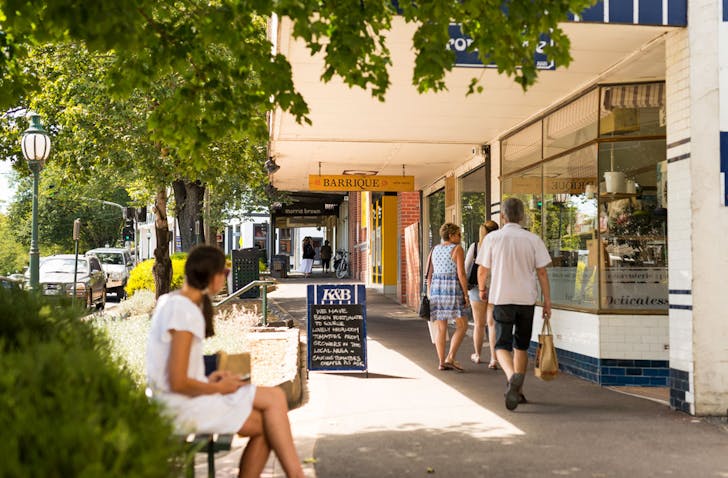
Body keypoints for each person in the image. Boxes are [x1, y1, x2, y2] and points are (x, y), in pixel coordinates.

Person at [146, 245, 304, 478]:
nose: (226, 277)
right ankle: (297, 474)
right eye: (225, 272)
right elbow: (178, 382)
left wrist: (210, 378)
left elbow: (176, 369)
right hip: (179, 406)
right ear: (213, 276)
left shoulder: (173, 301)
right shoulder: (184, 311)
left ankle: (297, 474)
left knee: (272, 409)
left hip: (177, 399)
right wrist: (218, 387)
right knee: (270, 415)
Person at [477, 197, 552, 411]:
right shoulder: (533, 239)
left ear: (502, 216)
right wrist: (547, 301)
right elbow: (542, 272)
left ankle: (512, 379)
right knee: (521, 345)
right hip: (526, 300)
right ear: (522, 216)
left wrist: (482, 289)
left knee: (501, 346)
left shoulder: (493, 239)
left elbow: (483, 270)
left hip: (502, 297)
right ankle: (517, 392)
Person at [427, 223, 470, 372]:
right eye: (458, 234)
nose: (460, 237)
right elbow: (461, 274)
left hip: (436, 289)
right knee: (462, 325)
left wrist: (430, 292)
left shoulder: (434, 249)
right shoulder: (457, 249)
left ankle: (441, 362)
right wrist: (466, 294)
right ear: (451, 236)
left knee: (441, 328)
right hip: (452, 288)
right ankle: (450, 357)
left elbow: (430, 274)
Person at [464, 220, 499, 368]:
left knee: (479, 324)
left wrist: (464, 288)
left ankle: (477, 355)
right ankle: (494, 359)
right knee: (492, 324)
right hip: (496, 287)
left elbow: (466, 267)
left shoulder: (476, 246)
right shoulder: (500, 247)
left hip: (477, 288)